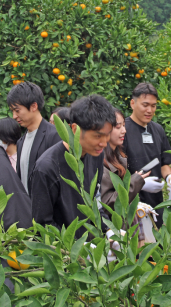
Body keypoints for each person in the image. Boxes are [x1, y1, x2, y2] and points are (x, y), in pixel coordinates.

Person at [31, 95, 116, 236]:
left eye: (107, 135)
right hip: (62, 254)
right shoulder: (46, 168)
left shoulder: (96, 155)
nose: (104, 143)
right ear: (75, 129)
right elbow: (43, 225)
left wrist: (109, 230)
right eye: (98, 136)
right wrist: (77, 248)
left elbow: (94, 202)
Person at [123, 83, 171, 227]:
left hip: (156, 202)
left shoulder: (157, 129)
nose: (149, 110)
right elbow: (116, 169)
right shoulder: (123, 131)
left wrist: (169, 177)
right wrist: (139, 184)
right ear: (133, 103)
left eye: (153, 106)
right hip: (132, 202)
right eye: (145, 105)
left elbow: (164, 162)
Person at [7, 82, 61, 193]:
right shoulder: (21, 142)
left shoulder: (54, 136)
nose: (14, 116)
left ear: (33, 106)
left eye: (17, 110)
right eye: (12, 111)